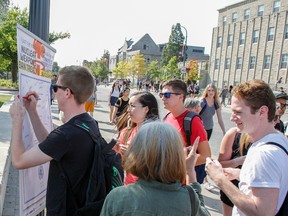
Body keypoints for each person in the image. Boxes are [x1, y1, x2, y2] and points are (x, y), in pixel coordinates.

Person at [9, 66, 99, 215]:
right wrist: (32, 112)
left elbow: (18, 161)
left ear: (68, 93)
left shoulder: (67, 134)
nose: (53, 91)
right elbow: (51, 144)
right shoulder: (88, 123)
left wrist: (17, 120)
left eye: (56, 87)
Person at [205, 80, 288, 216]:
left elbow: (262, 212)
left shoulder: (264, 154)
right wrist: (241, 175)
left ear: (262, 111)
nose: (232, 118)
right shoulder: (279, 139)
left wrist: (220, 179)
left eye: (238, 112)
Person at [100, 121, 210, 216]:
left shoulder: (118, 197)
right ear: (177, 156)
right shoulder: (189, 199)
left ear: (136, 153)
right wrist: (190, 171)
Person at [160, 79, 211, 184]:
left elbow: (206, 156)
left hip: (180, 184)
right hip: (163, 177)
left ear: (180, 96)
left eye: (167, 95)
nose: (162, 98)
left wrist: (178, 162)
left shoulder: (193, 121)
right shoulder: (167, 117)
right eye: (161, 94)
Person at [115, 91, 159, 185]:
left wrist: (134, 156)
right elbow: (121, 164)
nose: (128, 110)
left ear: (146, 109)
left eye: (132, 106)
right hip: (129, 186)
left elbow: (160, 166)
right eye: (128, 106)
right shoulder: (126, 132)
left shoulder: (158, 135)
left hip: (150, 189)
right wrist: (116, 150)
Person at [218, 127, 252, 216]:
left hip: (255, 193)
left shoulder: (274, 138)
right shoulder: (234, 134)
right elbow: (220, 165)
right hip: (232, 189)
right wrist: (238, 161)